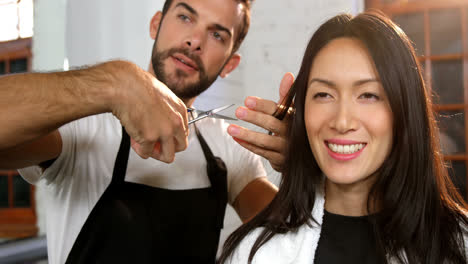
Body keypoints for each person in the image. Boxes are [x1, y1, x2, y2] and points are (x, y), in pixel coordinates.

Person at [0, 0, 290, 263]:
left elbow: (293, 244)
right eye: (185, 17)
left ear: (230, 64)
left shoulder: (230, 148)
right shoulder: (84, 126)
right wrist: (112, 81)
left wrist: (301, 165)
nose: (195, 41)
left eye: (217, 35)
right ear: (155, 25)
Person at [219, 11, 468, 264]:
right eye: (324, 95)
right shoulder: (255, 254)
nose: (342, 121)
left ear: (405, 109)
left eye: (368, 95)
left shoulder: (459, 244)